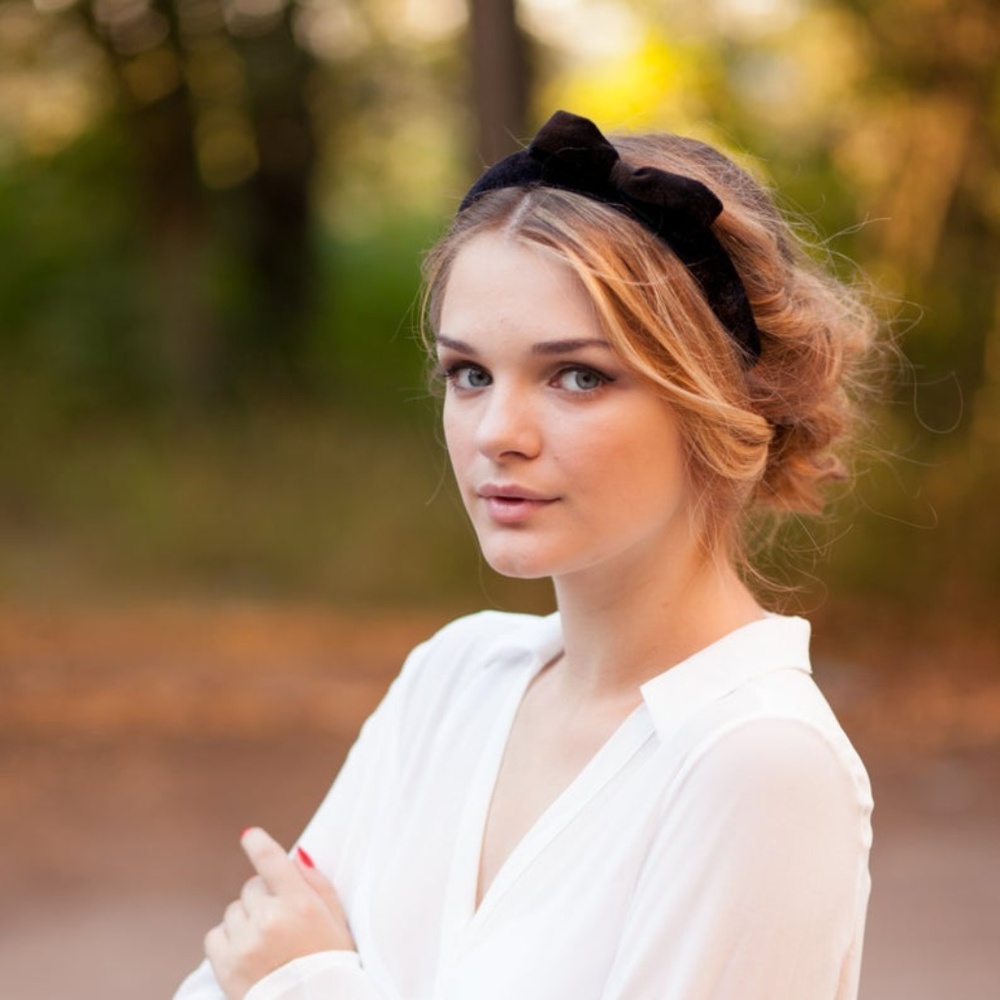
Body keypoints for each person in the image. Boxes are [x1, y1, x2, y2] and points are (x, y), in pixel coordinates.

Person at [174, 110, 877, 1000]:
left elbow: (262, 974)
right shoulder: (454, 678)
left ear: (715, 404)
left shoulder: (756, 762)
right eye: (469, 373)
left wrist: (308, 981)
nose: (497, 433)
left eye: (578, 376)